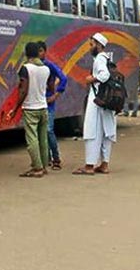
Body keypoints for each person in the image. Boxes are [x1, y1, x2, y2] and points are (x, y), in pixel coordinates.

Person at [73, 33, 117, 175]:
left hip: (97, 101)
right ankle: (104, 164)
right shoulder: (107, 59)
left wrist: (92, 79)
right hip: (107, 101)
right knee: (106, 133)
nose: (89, 48)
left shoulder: (99, 59)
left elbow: (104, 76)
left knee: (92, 131)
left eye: (91, 45)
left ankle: (89, 166)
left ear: (99, 45)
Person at [7, 42, 51, 178]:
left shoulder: (25, 69)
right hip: (43, 108)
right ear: (38, 53)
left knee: (32, 139)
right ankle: (44, 166)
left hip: (31, 108)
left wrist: (15, 109)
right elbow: (49, 87)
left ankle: (37, 168)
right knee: (43, 138)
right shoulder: (46, 69)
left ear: (26, 53)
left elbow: (23, 90)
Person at [38, 41, 67, 170]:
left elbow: (63, 78)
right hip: (37, 102)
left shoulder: (49, 66)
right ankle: (46, 158)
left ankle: (56, 158)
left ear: (45, 51)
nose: (39, 54)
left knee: (49, 130)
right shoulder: (32, 67)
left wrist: (56, 95)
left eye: (41, 51)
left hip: (48, 102)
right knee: (41, 132)